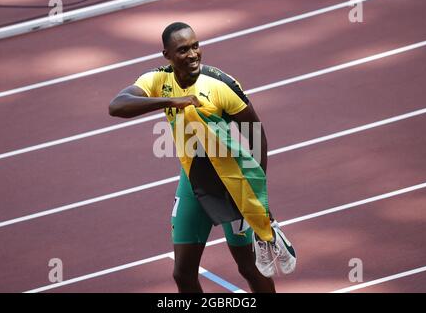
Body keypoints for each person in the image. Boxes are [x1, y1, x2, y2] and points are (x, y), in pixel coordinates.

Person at [109, 22, 295, 293]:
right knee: (183, 274)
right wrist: (173, 101)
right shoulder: (158, 80)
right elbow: (117, 106)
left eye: (196, 46)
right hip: (194, 181)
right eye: (183, 49)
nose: (193, 54)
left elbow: (256, 136)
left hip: (231, 184)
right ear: (167, 56)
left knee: (249, 266)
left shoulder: (221, 85)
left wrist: (255, 196)